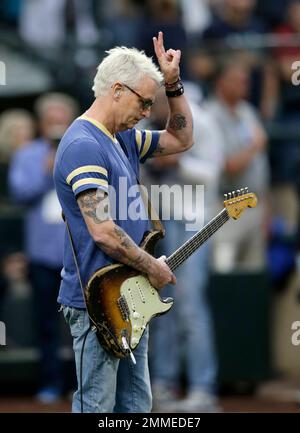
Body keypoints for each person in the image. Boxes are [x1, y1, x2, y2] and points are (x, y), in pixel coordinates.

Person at [53, 31, 194, 413]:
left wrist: (172, 84)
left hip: (129, 295)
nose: (148, 111)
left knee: (135, 406)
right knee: (96, 406)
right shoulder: (85, 144)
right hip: (96, 301)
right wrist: (154, 267)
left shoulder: (122, 139)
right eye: (144, 102)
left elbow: (181, 138)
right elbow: (103, 233)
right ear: (117, 89)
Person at [140, 86, 223, 412]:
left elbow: (215, 171)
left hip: (194, 221)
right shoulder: (145, 125)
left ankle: (203, 388)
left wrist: (178, 158)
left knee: (189, 305)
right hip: (158, 222)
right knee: (159, 307)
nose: (150, 106)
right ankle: (162, 383)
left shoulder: (199, 119)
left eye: (155, 99)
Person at [8, 93, 79, 402]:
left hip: (78, 252)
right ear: (41, 122)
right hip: (42, 253)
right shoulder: (28, 153)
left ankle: (83, 385)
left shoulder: (81, 149)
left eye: (61, 118)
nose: (56, 124)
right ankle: (50, 383)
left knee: (83, 326)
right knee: (46, 324)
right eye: (50, 119)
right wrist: (45, 168)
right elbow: (20, 191)